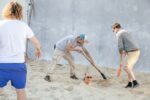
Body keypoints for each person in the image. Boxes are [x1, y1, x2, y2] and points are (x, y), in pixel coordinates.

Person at [0, 1, 41, 100]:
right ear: (20, 12)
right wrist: (38, 50)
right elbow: (36, 42)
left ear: (6, 11)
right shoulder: (24, 26)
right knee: (20, 91)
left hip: (2, 63)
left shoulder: (0, 24)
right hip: (18, 64)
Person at [112, 23, 140, 88]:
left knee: (125, 67)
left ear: (116, 28)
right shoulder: (127, 32)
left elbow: (120, 47)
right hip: (136, 51)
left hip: (132, 52)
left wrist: (121, 54)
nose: (114, 32)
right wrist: (126, 51)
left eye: (113, 30)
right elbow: (129, 42)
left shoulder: (119, 34)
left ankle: (135, 82)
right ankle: (130, 83)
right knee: (129, 68)